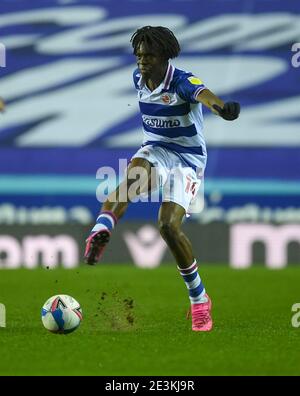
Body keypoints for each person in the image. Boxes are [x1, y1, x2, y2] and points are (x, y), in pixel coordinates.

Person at [84, 26, 240, 331]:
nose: (142, 61)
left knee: (168, 226)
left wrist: (222, 109)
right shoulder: (137, 78)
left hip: (187, 159)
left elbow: (204, 95)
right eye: (139, 55)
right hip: (156, 149)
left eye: (149, 55)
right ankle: (100, 230)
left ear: (165, 57)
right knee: (132, 178)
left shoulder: (181, 81)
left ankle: (199, 299)